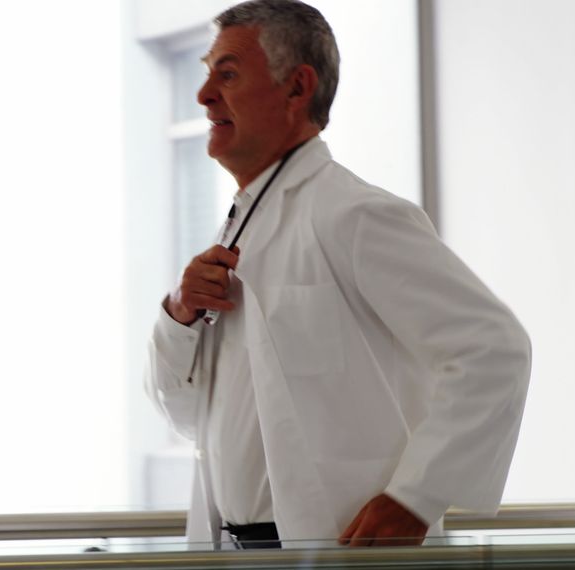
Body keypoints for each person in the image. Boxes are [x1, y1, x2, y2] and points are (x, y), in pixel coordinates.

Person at [144, 0, 532, 549]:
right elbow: (185, 415)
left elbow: (495, 350)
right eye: (207, 74)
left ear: (297, 88)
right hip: (238, 550)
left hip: (340, 551)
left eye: (226, 74)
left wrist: (416, 499)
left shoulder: (354, 214)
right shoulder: (236, 234)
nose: (204, 95)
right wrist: (178, 317)